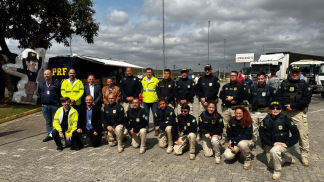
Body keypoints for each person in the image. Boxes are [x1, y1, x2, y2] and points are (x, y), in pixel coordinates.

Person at [276, 65, 312, 166]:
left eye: (297, 72)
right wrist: (286, 105)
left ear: (300, 73)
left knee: (302, 135)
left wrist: (294, 106)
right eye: (293, 72)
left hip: (298, 113)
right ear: (290, 73)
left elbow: (306, 99)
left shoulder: (305, 85)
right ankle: (282, 153)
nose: (295, 74)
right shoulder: (284, 83)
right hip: (285, 112)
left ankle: (304, 156)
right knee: (281, 133)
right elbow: (278, 96)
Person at [259, 101, 300, 180]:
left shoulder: (286, 119)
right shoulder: (265, 120)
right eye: (273, 108)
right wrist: (271, 143)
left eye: (277, 108)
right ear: (269, 110)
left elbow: (296, 134)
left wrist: (288, 144)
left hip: (282, 144)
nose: (275, 110)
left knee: (274, 151)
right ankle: (286, 159)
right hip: (270, 144)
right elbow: (262, 135)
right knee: (270, 165)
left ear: (280, 110)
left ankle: (277, 171)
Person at [247, 72, 276, 143]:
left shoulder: (270, 89)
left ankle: (265, 143)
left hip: (265, 113)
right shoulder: (252, 88)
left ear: (265, 79)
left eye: (262, 79)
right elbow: (248, 98)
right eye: (259, 79)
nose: (260, 80)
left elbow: (275, 100)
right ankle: (253, 142)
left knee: (266, 129)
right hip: (254, 112)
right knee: (253, 129)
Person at [219, 71, 246, 145]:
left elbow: (243, 96)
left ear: (237, 76)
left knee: (237, 124)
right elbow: (221, 95)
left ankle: (237, 138)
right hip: (226, 108)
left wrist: (234, 98)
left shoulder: (241, 86)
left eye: (234, 75)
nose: (232, 77)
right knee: (225, 124)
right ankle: (224, 138)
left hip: (236, 108)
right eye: (231, 75)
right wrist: (226, 98)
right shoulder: (226, 86)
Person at [38, 69, 60, 142]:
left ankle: (57, 134)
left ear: (51, 75)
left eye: (47, 74)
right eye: (45, 74)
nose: (46, 76)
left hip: (54, 105)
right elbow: (39, 93)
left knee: (56, 121)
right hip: (45, 106)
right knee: (48, 122)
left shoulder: (56, 83)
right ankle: (49, 134)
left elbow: (60, 93)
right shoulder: (41, 83)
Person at [142, 68, 159, 135]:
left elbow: (158, 90)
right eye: (147, 72)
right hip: (146, 101)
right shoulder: (143, 80)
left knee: (155, 116)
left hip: (154, 101)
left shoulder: (156, 80)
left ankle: (156, 129)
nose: (149, 73)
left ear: (152, 73)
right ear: (146, 73)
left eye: (150, 72)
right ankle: (146, 128)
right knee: (146, 116)